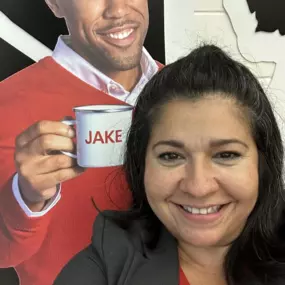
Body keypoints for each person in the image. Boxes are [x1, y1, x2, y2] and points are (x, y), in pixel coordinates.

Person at [54, 44, 285, 285]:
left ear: (262, 164)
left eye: (226, 155)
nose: (198, 187)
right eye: (171, 156)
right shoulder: (104, 268)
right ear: (141, 166)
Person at [0, 1, 162, 284]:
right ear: (54, 3)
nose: (118, 10)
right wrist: (26, 197)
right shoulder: (7, 103)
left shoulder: (191, 92)